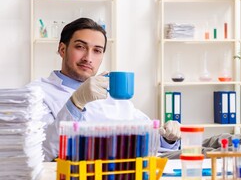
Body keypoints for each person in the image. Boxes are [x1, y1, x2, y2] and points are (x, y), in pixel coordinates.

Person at [28, 17, 181, 161]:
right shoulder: (36, 93)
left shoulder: (113, 94)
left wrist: (167, 137)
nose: (88, 58)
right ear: (62, 49)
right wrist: (76, 102)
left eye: (97, 50)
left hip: (120, 178)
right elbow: (44, 151)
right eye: (80, 47)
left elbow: (148, 139)